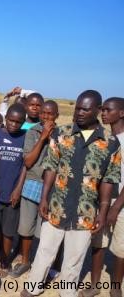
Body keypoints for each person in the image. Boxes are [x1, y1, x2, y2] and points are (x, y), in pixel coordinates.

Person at [21, 90, 121, 297]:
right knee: (45, 251)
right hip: (57, 205)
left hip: (85, 213)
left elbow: (108, 181)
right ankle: (33, 287)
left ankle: (66, 292)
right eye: (77, 108)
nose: (80, 112)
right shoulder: (62, 133)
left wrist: (103, 212)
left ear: (97, 110)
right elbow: (51, 167)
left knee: (74, 259)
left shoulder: (111, 143)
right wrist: (44, 198)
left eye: (85, 109)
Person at [78, 97, 124, 297]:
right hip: (100, 199)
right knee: (98, 243)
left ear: (121, 113)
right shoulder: (102, 137)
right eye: (102, 109)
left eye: (108, 110)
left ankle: (115, 286)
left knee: (121, 247)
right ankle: (95, 285)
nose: (103, 113)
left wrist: (115, 208)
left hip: (121, 202)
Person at [9, 100, 58, 278]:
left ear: (56, 116)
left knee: (44, 231)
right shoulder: (32, 132)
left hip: (51, 188)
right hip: (31, 184)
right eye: (43, 113)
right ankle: (25, 261)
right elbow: (28, 161)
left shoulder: (62, 135)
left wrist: (51, 137)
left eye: (50, 114)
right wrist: (43, 137)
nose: (45, 116)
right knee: (25, 228)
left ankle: (44, 265)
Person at [0, 103, 27, 277]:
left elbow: (25, 166)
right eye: (11, 120)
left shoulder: (25, 137)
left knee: (8, 231)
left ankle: (4, 260)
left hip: (12, 193)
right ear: (5, 119)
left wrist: (18, 189)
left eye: (18, 122)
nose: (14, 124)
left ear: (23, 122)